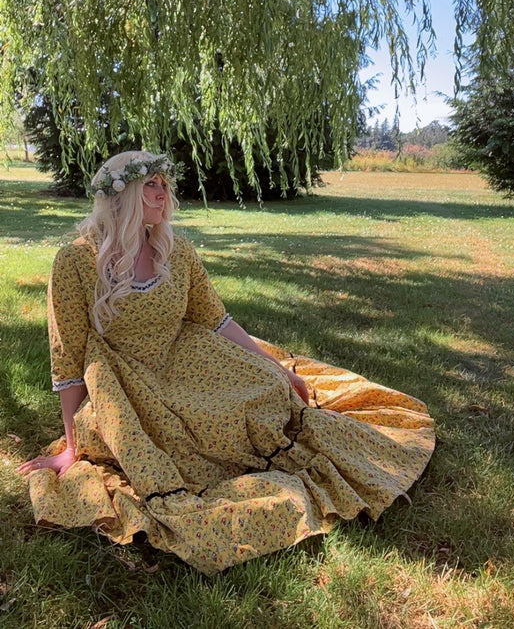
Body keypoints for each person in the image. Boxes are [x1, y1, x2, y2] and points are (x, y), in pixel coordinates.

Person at [18, 150, 434, 575]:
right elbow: (66, 358)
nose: (164, 196)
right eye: (152, 186)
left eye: (166, 185)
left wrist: (274, 367)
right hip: (122, 381)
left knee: (265, 393)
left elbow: (216, 320)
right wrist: (72, 447)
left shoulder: (175, 251)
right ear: (121, 195)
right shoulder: (76, 260)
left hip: (186, 357)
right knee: (186, 433)